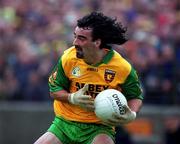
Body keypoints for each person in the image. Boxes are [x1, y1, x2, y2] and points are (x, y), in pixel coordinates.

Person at [34, 11, 143, 144]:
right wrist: (72, 98)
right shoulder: (68, 58)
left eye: (82, 38)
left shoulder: (122, 67)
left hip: (99, 128)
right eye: (75, 36)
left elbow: (135, 96)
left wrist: (131, 114)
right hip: (63, 125)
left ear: (97, 42)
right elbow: (54, 90)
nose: (75, 42)